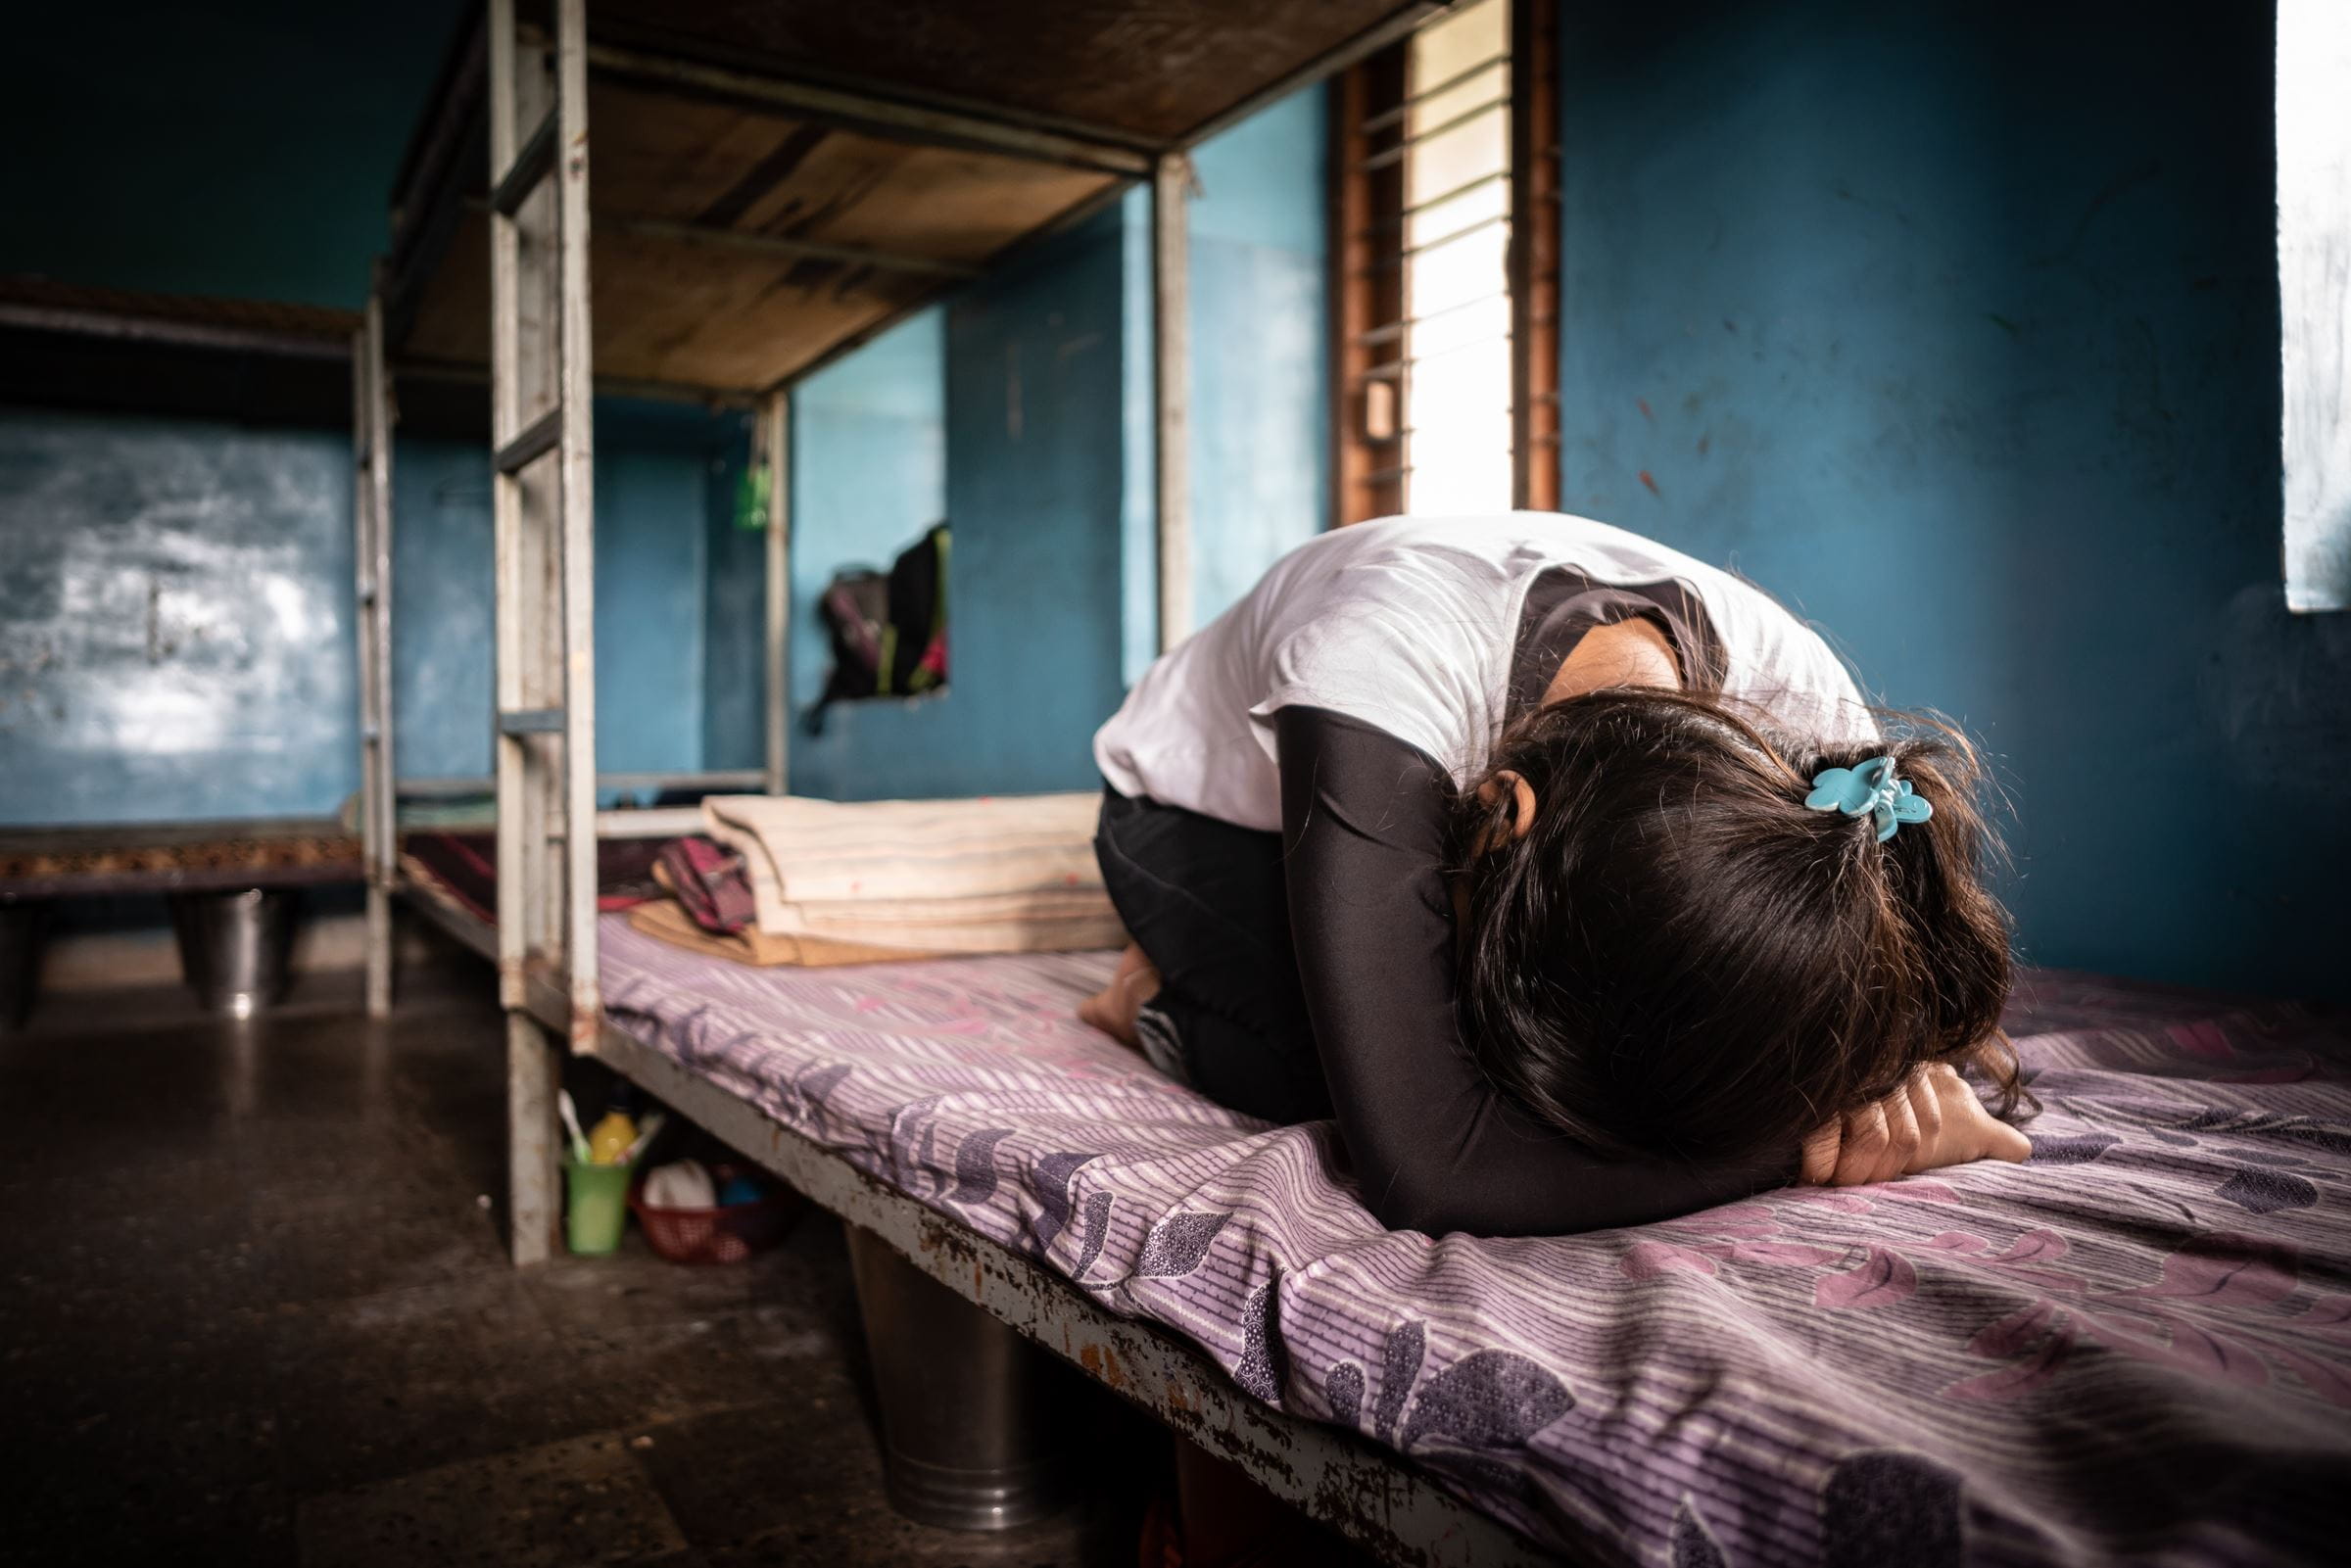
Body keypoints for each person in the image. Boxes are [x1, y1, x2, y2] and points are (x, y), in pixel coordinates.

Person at [1081, 511, 2030, 1238]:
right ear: (1503, 807)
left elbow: (1851, 977)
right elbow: (1431, 1167)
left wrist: (1880, 1081)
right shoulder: (1382, 664)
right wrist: (1811, 1144)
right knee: (1347, 1079)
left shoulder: (1811, 728)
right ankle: (1149, 994)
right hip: (1195, 816)